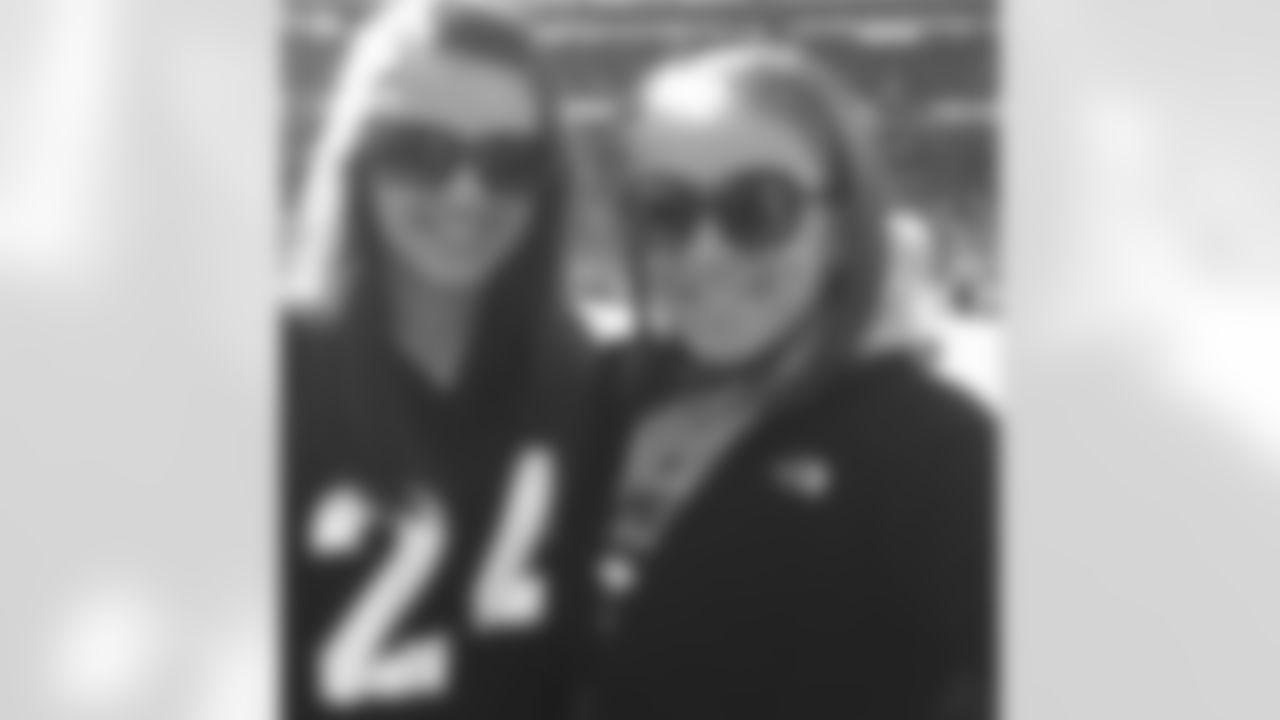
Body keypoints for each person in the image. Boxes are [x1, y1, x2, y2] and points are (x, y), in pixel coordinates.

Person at [576, 42, 996, 720]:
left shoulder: (941, 451)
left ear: (843, 231)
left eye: (759, 208)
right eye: (666, 210)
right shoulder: (610, 389)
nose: (704, 252)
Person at [282, 1, 606, 718]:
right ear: (358, 156)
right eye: (420, 152)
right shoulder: (267, 376)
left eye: (510, 162)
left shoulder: (587, 380)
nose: (467, 191)